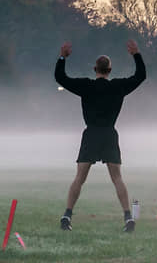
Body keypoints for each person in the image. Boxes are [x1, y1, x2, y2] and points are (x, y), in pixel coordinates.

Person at [55, 39, 146, 233]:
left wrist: (62, 57)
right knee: (117, 178)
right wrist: (136, 54)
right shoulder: (118, 87)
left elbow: (60, 78)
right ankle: (128, 217)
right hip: (109, 134)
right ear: (110, 71)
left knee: (79, 178)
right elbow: (141, 76)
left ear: (95, 69)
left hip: (91, 134)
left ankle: (67, 215)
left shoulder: (86, 86)